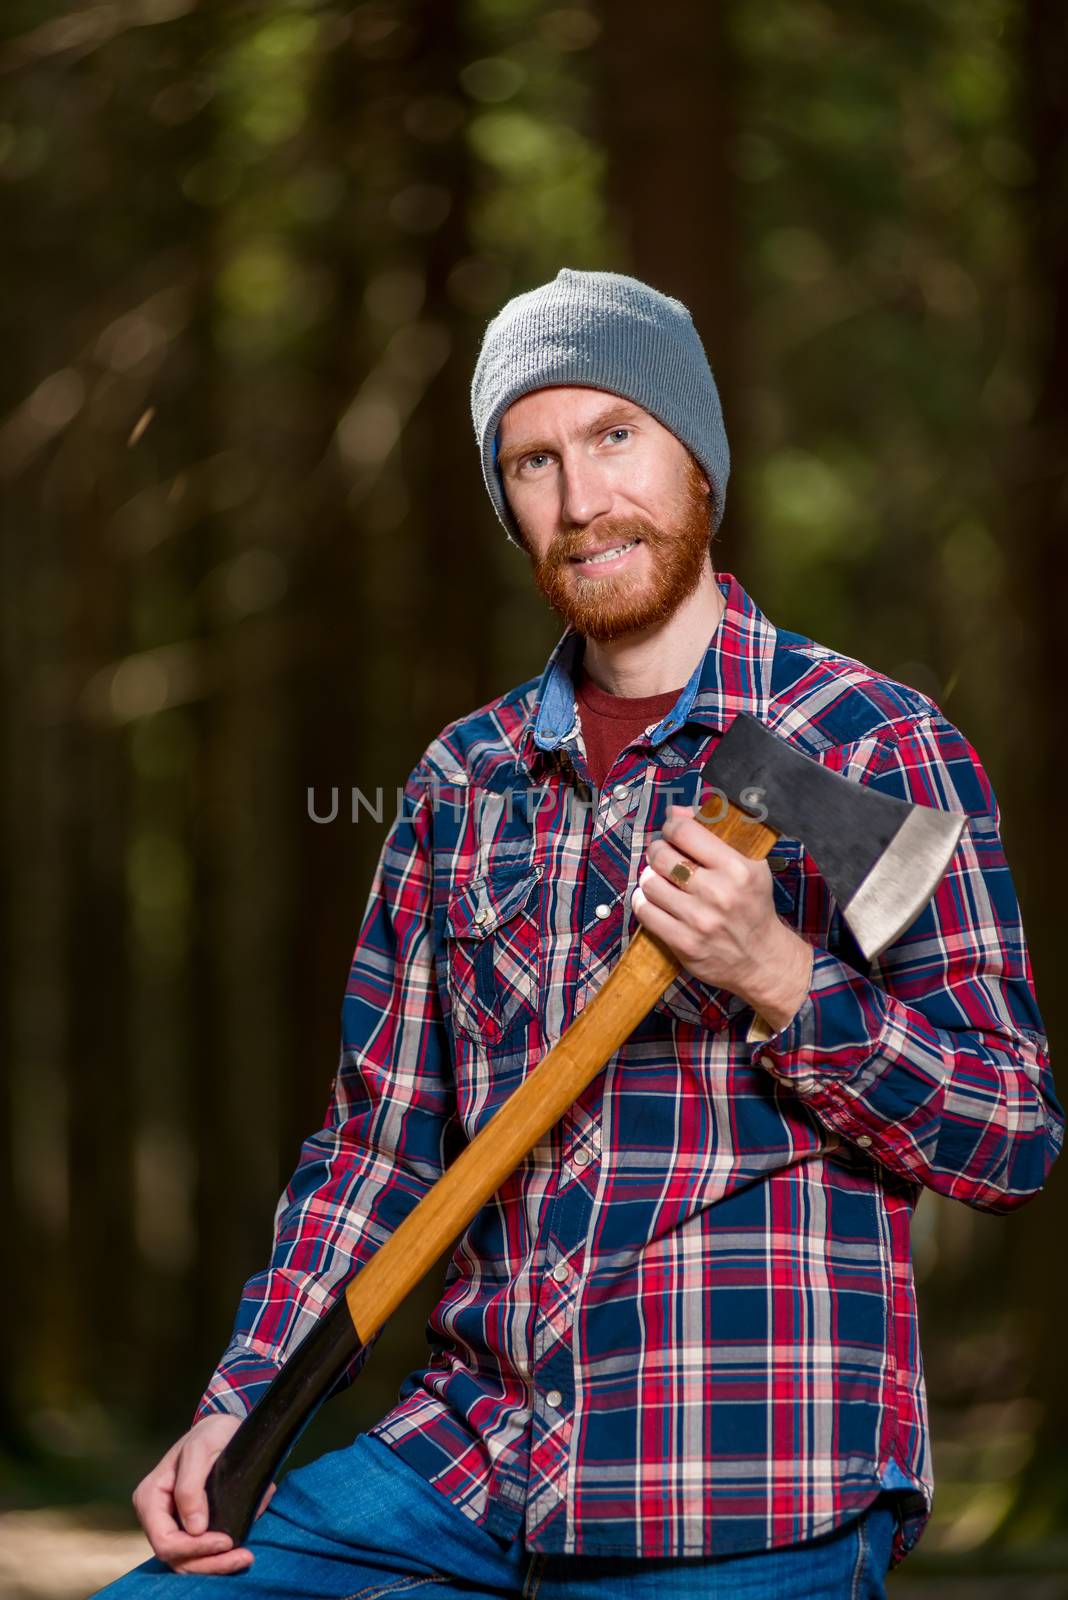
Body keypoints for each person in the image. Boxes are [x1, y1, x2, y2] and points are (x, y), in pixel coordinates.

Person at [94, 269, 1062, 1599]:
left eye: (617, 436)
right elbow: (377, 1149)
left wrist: (781, 975)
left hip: (741, 1470)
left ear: (697, 459)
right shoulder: (467, 782)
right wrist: (245, 1400)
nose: (583, 497)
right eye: (532, 460)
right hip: (470, 1461)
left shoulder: (860, 751)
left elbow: (1008, 1130)